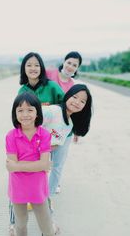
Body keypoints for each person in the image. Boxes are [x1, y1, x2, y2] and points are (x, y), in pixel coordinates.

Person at [5, 92, 60, 236]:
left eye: (30, 110)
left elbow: (43, 164)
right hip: (18, 187)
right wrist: (37, 165)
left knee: (46, 224)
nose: (25, 114)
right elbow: (11, 164)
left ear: (37, 113)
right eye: (20, 110)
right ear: (15, 113)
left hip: (38, 187)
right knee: (21, 224)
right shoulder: (11, 135)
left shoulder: (44, 135)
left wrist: (17, 166)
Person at [41, 84, 92, 208]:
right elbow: (30, 124)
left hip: (43, 151)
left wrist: (48, 149)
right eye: (75, 97)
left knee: (54, 168)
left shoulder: (69, 125)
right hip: (30, 150)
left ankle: (47, 197)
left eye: (82, 101)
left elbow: (56, 144)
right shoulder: (51, 111)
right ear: (68, 95)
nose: (77, 102)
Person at [46, 51, 82, 193]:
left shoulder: (74, 86)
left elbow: (76, 109)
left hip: (64, 129)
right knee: (41, 158)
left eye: (74, 65)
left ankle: (53, 187)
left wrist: (77, 130)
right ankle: (38, 184)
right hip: (45, 126)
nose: (70, 66)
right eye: (69, 62)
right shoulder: (50, 74)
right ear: (64, 62)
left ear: (77, 68)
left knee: (58, 162)